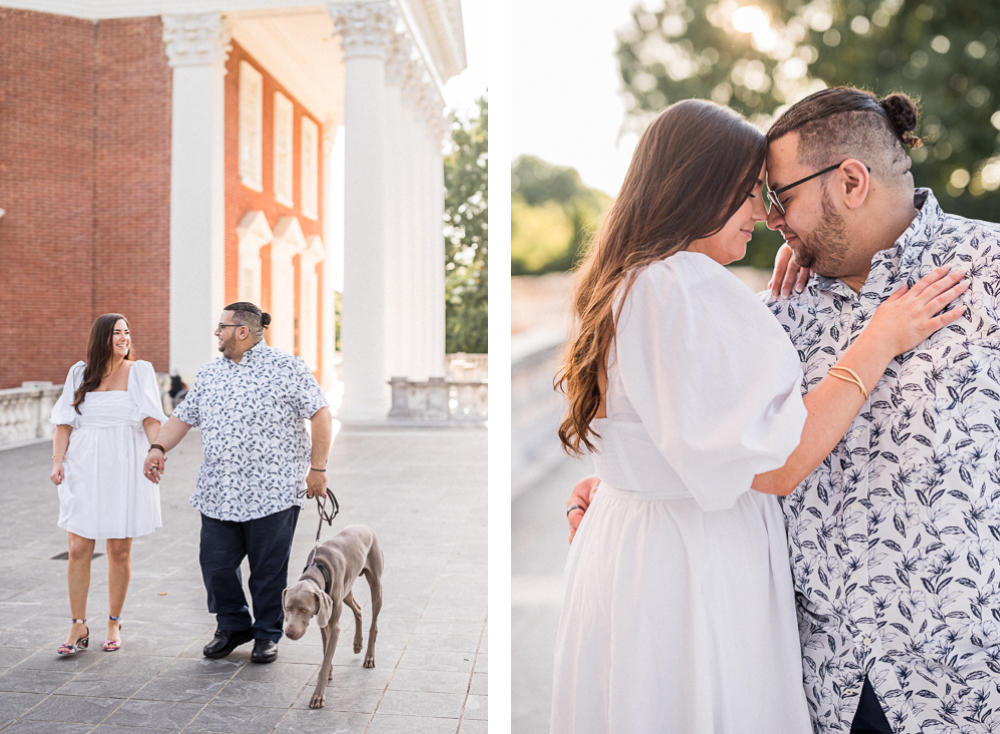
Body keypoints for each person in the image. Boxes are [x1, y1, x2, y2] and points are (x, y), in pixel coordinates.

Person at [550, 98, 968, 734]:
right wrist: (877, 340)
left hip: (642, 550)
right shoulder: (686, 286)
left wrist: (623, 479)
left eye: (770, 195)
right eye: (749, 194)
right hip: (698, 566)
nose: (763, 217)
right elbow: (774, 464)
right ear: (697, 189)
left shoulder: (638, 281)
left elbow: (674, 423)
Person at [142, 302, 332, 665]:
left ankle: (266, 634)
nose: (217, 332)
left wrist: (318, 469)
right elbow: (182, 418)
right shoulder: (210, 373)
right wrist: (157, 447)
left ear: (242, 331)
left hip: (273, 492)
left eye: (221, 327)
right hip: (218, 491)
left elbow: (321, 413)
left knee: (267, 570)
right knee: (215, 565)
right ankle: (232, 625)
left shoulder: (288, 368)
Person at [49, 313, 167, 655]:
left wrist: (156, 452)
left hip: (125, 464)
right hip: (83, 465)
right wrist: (58, 460)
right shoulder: (78, 373)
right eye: (117, 333)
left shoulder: (139, 371)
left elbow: (150, 419)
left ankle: (114, 620)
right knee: (77, 548)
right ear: (102, 337)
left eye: (127, 332)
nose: (124, 338)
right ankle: (77, 625)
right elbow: (63, 424)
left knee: (118, 548)